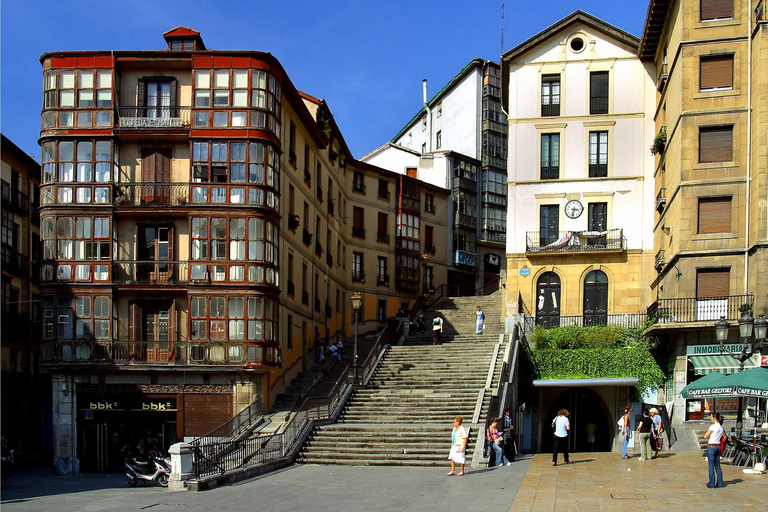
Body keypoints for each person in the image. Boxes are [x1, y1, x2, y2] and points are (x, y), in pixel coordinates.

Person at [703, 412, 725, 488]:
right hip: (718, 446)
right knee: (718, 466)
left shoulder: (713, 426)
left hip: (711, 446)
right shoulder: (721, 427)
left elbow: (705, 436)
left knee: (711, 466)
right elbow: (724, 435)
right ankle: (720, 483)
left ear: (714, 418)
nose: (710, 418)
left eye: (711, 417)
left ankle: (711, 484)